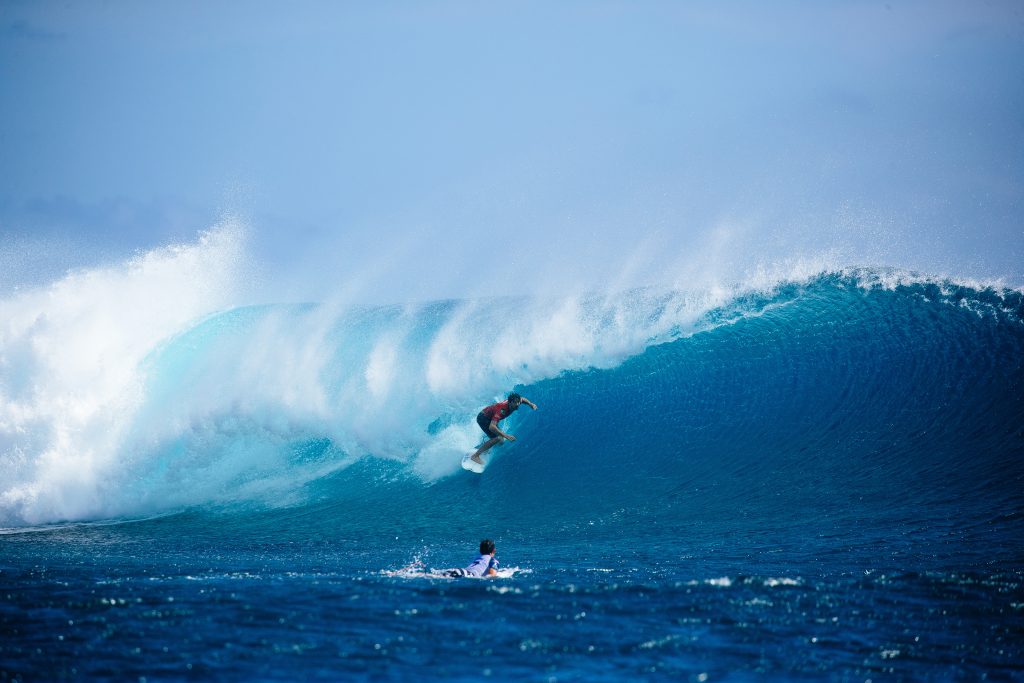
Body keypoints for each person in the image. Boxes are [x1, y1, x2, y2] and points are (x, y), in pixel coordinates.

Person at [470, 392, 538, 465]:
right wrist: (506, 436)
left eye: (518, 402)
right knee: (498, 438)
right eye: (515, 403)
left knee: (501, 442)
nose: (518, 404)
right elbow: (492, 427)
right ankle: (475, 456)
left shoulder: (516, 402)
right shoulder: (502, 410)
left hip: (489, 416)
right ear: (510, 402)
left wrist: (531, 404)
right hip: (483, 418)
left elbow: (522, 399)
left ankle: (487, 445)